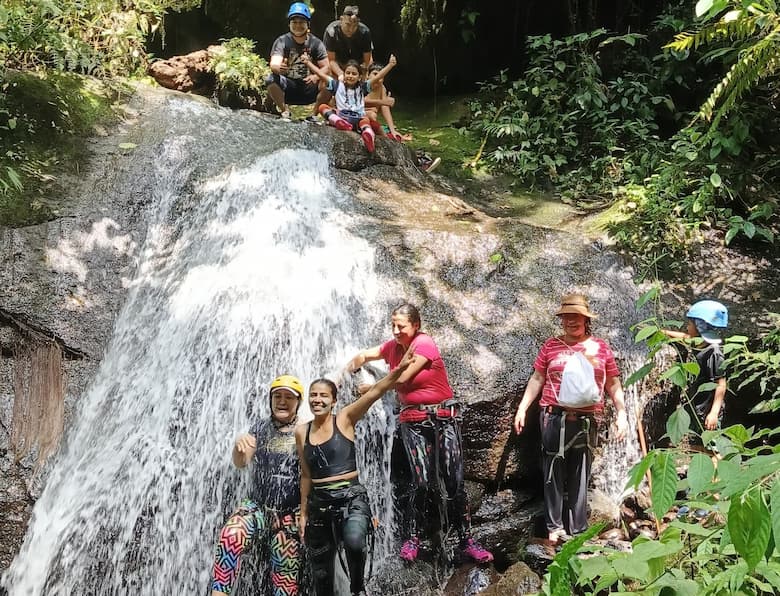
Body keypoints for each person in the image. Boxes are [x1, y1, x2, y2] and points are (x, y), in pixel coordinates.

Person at [346, 303, 494, 564]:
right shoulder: (391, 348)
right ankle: (413, 538)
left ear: (416, 325)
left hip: (443, 420)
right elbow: (364, 356)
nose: (395, 331)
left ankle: (467, 540)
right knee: (421, 481)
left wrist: (371, 388)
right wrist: (344, 373)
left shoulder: (423, 343)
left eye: (401, 326)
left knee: (454, 481)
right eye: (392, 325)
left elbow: (402, 378)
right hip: (412, 421)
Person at [296, 346, 415, 596]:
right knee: (321, 572)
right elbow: (305, 474)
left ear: (334, 400)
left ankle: (357, 588)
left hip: (351, 497)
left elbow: (376, 391)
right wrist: (303, 513)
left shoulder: (345, 418)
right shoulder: (301, 431)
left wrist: (401, 369)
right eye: (313, 395)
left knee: (355, 542)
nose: (317, 400)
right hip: (319, 502)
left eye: (323, 396)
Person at [513, 293, 629, 544]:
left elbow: (613, 382)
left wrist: (622, 413)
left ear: (586, 319)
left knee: (580, 472)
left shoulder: (601, 348)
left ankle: (578, 529)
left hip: (587, 419)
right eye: (566, 317)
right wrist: (522, 408)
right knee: (552, 471)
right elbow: (537, 378)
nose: (570, 321)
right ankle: (554, 528)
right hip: (554, 416)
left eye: (576, 317)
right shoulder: (550, 346)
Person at [210, 375, 305, 596]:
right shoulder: (259, 428)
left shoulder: (306, 430)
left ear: (298, 401)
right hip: (257, 509)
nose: (282, 401)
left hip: (290, 515)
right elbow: (241, 462)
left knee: (285, 584)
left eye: (288, 397)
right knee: (230, 536)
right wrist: (238, 448)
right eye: (277, 396)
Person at [660, 299, 728, 444]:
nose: (687, 326)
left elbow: (721, 384)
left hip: (708, 409)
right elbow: (686, 338)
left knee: (711, 449)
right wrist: (661, 332)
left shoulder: (714, 353)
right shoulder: (700, 342)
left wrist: (714, 413)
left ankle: (717, 465)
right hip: (696, 405)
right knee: (697, 446)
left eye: (690, 324)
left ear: (700, 327)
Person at [301, 53, 397, 153]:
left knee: (323, 108)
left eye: (354, 74)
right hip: (349, 117)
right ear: (344, 74)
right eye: (348, 73)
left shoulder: (359, 87)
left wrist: (390, 65)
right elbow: (321, 74)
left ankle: (359, 130)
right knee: (324, 107)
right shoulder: (341, 85)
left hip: (350, 117)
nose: (350, 76)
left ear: (360, 77)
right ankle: (358, 128)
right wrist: (307, 62)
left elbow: (377, 77)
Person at [266, 3, 332, 121]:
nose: (298, 25)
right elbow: (274, 64)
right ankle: (285, 111)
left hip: (309, 86)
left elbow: (327, 67)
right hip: (288, 86)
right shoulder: (282, 41)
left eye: (301, 22)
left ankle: (313, 114)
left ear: (308, 24)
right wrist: (279, 68)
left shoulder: (316, 43)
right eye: (294, 22)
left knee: (330, 82)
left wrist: (316, 76)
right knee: (270, 79)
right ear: (289, 24)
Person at [322, 5, 374, 80]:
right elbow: (331, 60)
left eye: (355, 25)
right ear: (341, 19)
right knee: (326, 82)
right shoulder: (331, 31)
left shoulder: (365, 32)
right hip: (338, 63)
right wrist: (341, 74)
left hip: (359, 63)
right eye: (348, 24)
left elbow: (367, 60)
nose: (351, 29)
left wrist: (362, 74)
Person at [365, 61, 402, 142]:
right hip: (361, 114)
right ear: (368, 75)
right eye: (375, 74)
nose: (378, 79)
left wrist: (392, 130)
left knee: (396, 137)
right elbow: (362, 101)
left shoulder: (382, 88)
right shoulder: (364, 85)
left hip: (373, 118)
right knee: (372, 115)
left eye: (381, 76)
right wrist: (382, 102)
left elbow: (385, 108)